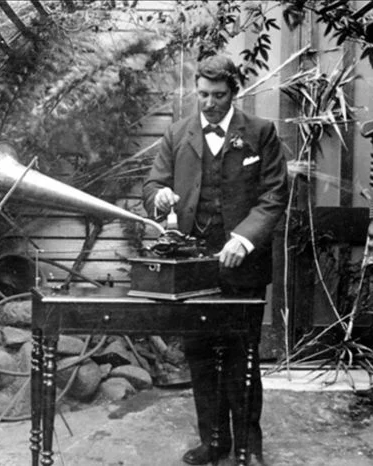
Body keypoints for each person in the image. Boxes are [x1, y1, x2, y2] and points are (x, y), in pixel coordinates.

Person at [143, 55, 288, 466]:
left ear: (234, 92)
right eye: (203, 95)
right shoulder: (177, 134)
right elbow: (152, 184)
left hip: (245, 266)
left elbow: (274, 194)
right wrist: (159, 197)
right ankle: (213, 442)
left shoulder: (261, 133)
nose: (209, 103)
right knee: (202, 356)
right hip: (193, 268)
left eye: (218, 95)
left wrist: (244, 238)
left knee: (243, 357)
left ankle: (249, 446)